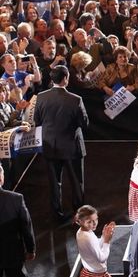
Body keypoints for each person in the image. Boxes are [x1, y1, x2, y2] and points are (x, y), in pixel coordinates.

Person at [34, 65, 89, 222]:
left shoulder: (41, 97)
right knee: (77, 182)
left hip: (50, 146)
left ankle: (56, 215)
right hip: (72, 147)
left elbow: (37, 121)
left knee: (54, 182)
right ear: (65, 79)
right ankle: (80, 214)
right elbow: (84, 124)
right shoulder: (76, 99)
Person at [0, 163, 38, 277]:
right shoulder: (16, 199)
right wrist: (30, 250)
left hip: (10, 254)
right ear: (1, 177)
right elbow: (26, 227)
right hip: (12, 254)